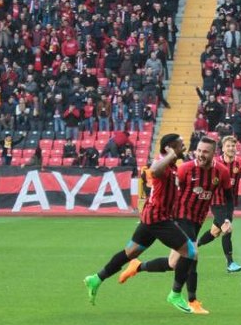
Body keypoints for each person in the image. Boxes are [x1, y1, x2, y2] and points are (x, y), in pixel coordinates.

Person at [83, 134, 196, 313]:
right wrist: (170, 154)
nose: (184, 147)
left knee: (131, 252)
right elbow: (154, 170)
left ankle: (96, 278)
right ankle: (175, 294)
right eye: (181, 145)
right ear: (171, 147)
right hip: (158, 219)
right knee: (190, 252)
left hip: (151, 218)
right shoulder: (162, 164)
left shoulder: (172, 167)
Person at [120, 137, 232, 315]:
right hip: (179, 217)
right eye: (199, 150)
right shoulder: (185, 169)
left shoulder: (221, 172)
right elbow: (163, 183)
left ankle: (137, 267)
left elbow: (226, 198)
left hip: (197, 220)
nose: (201, 154)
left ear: (214, 153)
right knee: (193, 254)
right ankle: (192, 301)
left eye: (206, 151)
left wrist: (226, 220)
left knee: (174, 263)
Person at [196, 135, 241, 272]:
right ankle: (230, 263)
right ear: (222, 148)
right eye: (228, 146)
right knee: (227, 228)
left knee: (215, 232)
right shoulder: (215, 162)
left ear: (236, 148)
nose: (231, 148)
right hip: (216, 201)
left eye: (233, 146)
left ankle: (191, 246)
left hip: (230, 202)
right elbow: (201, 173)